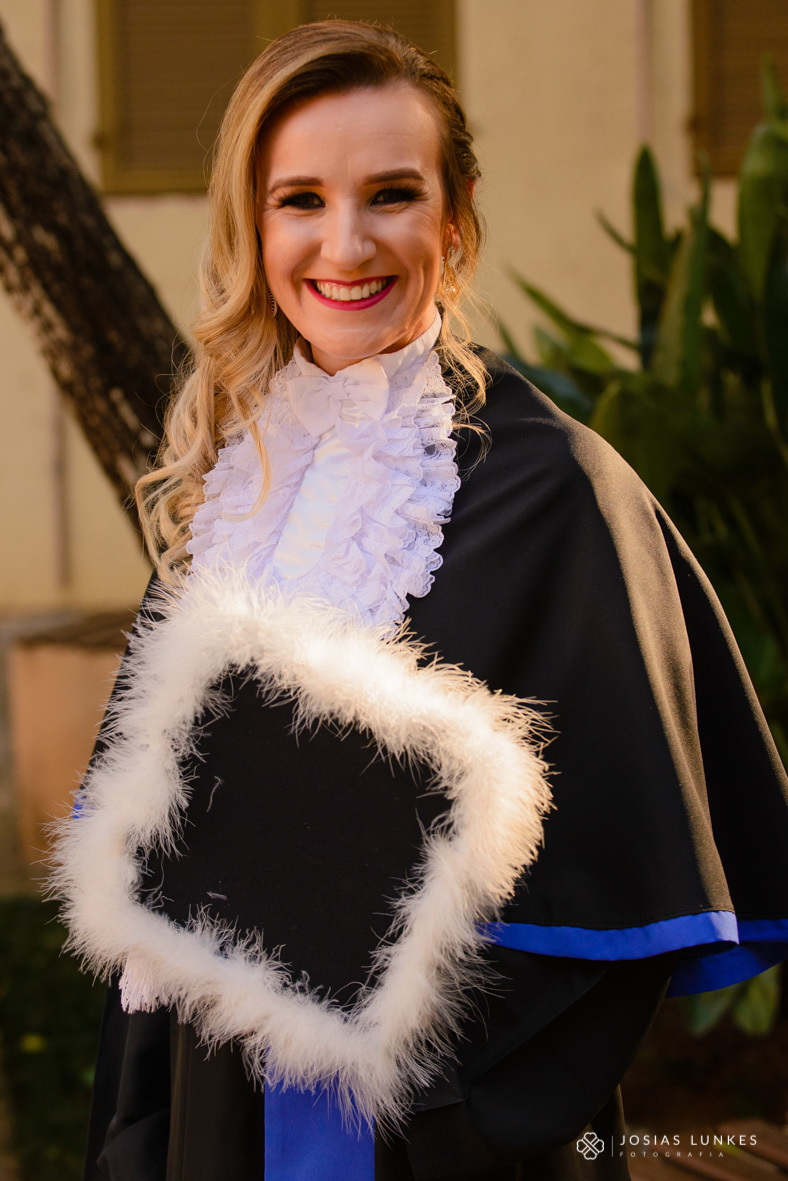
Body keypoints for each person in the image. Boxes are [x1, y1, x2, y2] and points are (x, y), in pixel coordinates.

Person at [54, 20, 788, 1181]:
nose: (344, 243)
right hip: (215, 1113)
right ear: (253, 223)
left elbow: (608, 886)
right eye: (300, 199)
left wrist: (434, 1106)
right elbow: (151, 900)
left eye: (390, 194)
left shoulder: (555, 490)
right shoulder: (229, 496)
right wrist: (143, 1133)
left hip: (434, 1130)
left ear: (454, 219)